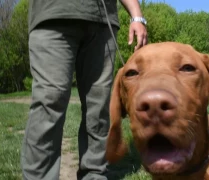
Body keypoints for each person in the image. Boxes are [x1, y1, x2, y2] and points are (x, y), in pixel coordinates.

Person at [20, 0, 148, 180]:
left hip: (103, 23)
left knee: (98, 108)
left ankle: (95, 174)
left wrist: (137, 15)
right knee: (49, 101)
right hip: (53, 15)